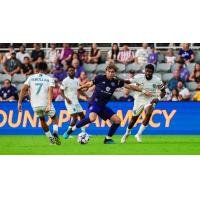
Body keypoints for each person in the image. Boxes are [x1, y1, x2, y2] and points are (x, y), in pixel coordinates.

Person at [63, 63, 151, 144]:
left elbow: (130, 86)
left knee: (117, 121)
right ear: (106, 71)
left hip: (102, 106)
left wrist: (143, 90)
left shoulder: (116, 82)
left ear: (114, 73)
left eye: (112, 72)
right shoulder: (99, 78)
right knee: (92, 118)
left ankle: (107, 139)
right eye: (109, 71)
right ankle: (71, 130)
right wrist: (82, 87)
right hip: (94, 102)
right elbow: (90, 84)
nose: (111, 73)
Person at [18, 62, 61, 145]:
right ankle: (55, 133)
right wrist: (49, 104)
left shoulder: (31, 78)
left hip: (35, 105)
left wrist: (19, 102)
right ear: (46, 69)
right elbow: (50, 91)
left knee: (42, 120)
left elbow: (23, 89)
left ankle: (51, 139)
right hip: (45, 103)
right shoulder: (49, 78)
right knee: (54, 117)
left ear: (37, 69)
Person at [121, 64, 166, 143]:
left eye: (150, 72)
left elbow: (163, 91)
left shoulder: (157, 80)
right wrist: (119, 79)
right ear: (145, 71)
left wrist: (158, 98)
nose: (148, 73)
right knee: (134, 119)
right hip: (139, 98)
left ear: (153, 72)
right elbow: (129, 81)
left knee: (149, 113)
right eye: (147, 71)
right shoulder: (139, 77)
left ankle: (138, 134)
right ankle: (127, 133)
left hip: (151, 98)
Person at [61, 66, 89, 138]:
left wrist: (86, 96)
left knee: (82, 116)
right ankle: (67, 133)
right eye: (70, 71)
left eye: (72, 70)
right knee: (75, 118)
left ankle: (83, 132)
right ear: (68, 72)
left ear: (75, 71)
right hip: (69, 102)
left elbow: (79, 90)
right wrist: (66, 99)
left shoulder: (76, 80)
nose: (71, 72)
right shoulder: (65, 81)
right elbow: (61, 91)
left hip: (76, 101)